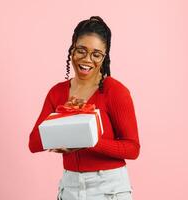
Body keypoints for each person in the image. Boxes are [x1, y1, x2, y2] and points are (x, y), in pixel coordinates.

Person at [28, 16, 140, 200]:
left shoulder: (116, 91)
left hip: (109, 188)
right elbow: (34, 144)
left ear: (104, 57)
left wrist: (88, 140)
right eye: (81, 50)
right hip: (70, 186)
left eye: (96, 54)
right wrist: (64, 114)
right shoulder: (57, 93)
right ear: (72, 49)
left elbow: (132, 148)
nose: (87, 59)